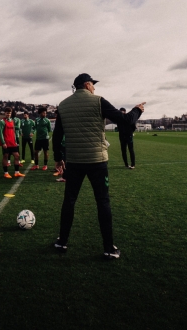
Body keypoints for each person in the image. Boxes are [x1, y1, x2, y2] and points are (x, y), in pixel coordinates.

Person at [53, 73, 144, 260]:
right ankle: (109, 247)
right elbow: (125, 121)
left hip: (74, 161)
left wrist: (58, 158)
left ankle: (62, 241)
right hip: (97, 161)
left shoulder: (62, 105)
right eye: (92, 85)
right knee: (102, 201)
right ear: (87, 85)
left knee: (69, 200)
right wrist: (137, 110)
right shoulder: (98, 101)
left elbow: (57, 135)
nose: (94, 87)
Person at [0, 107, 24, 179]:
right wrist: (3, 142)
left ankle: (17, 172)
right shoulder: (2, 121)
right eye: (7, 113)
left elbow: (13, 132)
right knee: (6, 156)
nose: (8, 114)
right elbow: (0, 133)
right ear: (5, 113)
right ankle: (6, 173)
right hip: (6, 142)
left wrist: (15, 140)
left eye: (9, 113)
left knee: (17, 156)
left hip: (12, 142)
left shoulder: (12, 121)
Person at [31, 107, 52, 172]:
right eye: (43, 113)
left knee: (45, 152)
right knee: (35, 152)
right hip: (38, 139)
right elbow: (34, 128)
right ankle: (36, 165)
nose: (45, 114)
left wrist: (45, 134)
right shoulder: (37, 120)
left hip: (45, 139)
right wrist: (32, 132)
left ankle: (45, 165)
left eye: (45, 113)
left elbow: (49, 129)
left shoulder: (47, 120)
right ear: (40, 113)